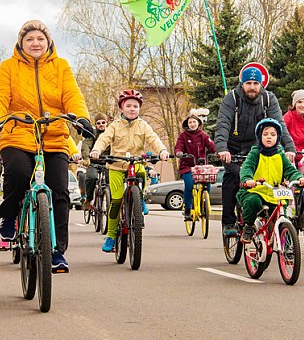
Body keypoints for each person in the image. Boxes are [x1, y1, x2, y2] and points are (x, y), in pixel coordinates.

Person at [0, 20, 93, 274]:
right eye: (29, 39)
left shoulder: (61, 66)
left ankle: (56, 252)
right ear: (21, 42)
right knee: (18, 173)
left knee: (60, 191)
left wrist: (81, 118)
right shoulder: (9, 67)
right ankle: (10, 215)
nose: (35, 43)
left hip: (54, 136)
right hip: (18, 134)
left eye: (40, 39)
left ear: (48, 42)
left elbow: (72, 95)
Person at [214, 62, 296, 236]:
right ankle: (229, 222)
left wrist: (289, 148)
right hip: (233, 148)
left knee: (271, 179)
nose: (252, 87)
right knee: (233, 178)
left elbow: (280, 124)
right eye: (248, 83)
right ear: (242, 84)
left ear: (261, 84)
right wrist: (222, 148)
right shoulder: (232, 99)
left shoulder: (269, 99)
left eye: (255, 84)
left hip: (257, 147)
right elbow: (222, 125)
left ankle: (271, 222)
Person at [89, 89, 170, 253]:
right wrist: (96, 150)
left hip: (136, 162)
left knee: (141, 173)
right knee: (116, 200)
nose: (132, 109)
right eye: (129, 106)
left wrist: (162, 150)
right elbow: (103, 139)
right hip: (117, 166)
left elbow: (153, 139)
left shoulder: (143, 125)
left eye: (135, 106)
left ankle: (140, 200)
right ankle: (111, 236)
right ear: (122, 108)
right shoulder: (114, 126)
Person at [237, 119, 304, 242]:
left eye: (273, 134)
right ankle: (249, 226)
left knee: (283, 215)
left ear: (278, 137)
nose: (269, 137)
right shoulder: (255, 153)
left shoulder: (280, 154)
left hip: (275, 193)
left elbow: (289, 170)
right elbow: (247, 167)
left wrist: (299, 178)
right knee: (253, 202)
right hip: (255, 190)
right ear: (259, 137)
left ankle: (287, 245)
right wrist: (247, 179)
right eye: (265, 134)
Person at [174, 113, 217, 220]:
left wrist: (217, 152)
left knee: (207, 181)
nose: (192, 124)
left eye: (194, 122)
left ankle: (203, 203)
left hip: (200, 166)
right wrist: (179, 153)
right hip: (187, 166)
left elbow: (212, 146)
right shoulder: (183, 136)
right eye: (190, 122)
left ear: (198, 123)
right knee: (189, 184)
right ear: (187, 124)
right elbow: (178, 147)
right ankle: (188, 209)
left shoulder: (204, 135)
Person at [80, 112, 110, 211]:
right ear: (96, 125)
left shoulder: (112, 133)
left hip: (109, 163)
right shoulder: (91, 134)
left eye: (103, 122)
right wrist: (86, 158)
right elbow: (86, 146)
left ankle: (112, 201)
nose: (101, 124)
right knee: (92, 177)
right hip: (93, 163)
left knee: (111, 180)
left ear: (107, 123)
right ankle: (88, 199)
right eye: (98, 123)